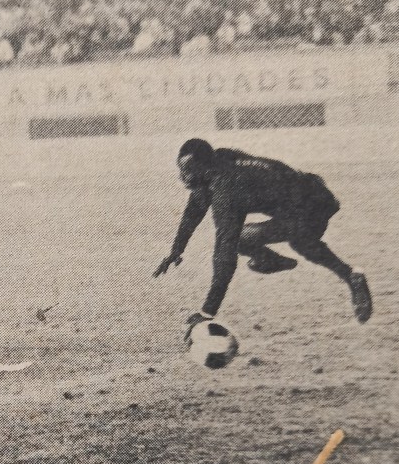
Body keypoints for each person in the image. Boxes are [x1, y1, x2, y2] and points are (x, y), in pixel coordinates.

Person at [153, 138, 372, 332]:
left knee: (245, 240)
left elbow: (224, 252)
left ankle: (271, 260)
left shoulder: (227, 189)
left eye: (188, 169)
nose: (183, 176)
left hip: (313, 206)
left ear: (204, 168)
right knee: (300, 241)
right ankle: (351, 276)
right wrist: (177, 249)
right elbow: (195, 208)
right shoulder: (220, 159)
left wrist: (207, 311)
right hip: (311, 195)